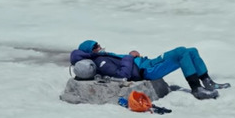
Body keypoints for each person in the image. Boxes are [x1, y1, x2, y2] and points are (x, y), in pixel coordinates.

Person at [69, 40, 223, 100]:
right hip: (146, 71)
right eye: (95, 46)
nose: (99, 46)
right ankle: (197, 89)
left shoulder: (102, 56)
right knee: (182, 51)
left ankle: (207, 81)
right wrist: (130, 57)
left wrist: (132, 56)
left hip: (147, 63)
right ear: (91, 51)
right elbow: (123, 74)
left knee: (191, 50)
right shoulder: (101, 61)